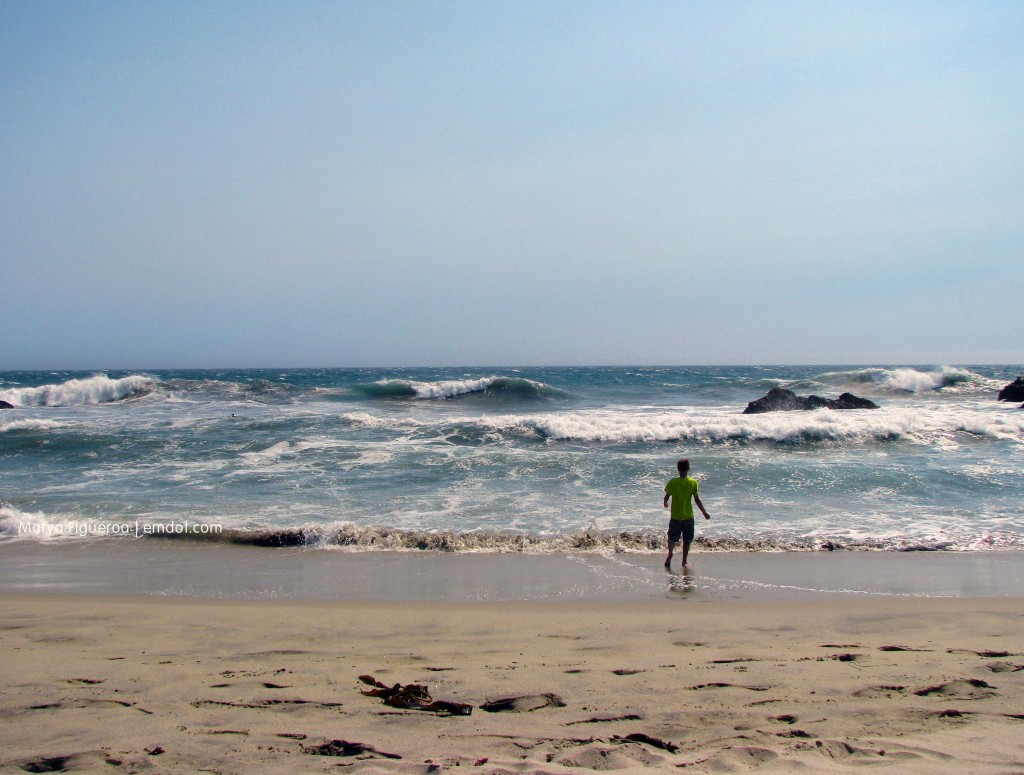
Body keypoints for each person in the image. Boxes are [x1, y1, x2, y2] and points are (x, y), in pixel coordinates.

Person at [663, 458, 710, 568]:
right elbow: (697, 500)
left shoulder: (673, 482)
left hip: (675, 516)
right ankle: (684, 561)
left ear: (678, 469)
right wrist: (704, 512)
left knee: (672, 537)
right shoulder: (693, 483)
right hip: (688, 516)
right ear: (688, 469)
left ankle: (670, 552)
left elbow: (666, 497)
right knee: (687, 540)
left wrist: (665, 503)